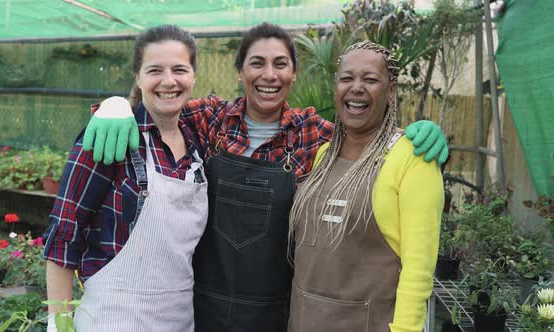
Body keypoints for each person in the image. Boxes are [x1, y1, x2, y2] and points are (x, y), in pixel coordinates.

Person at [82, 23, 448, 331]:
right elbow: (158, 106)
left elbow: (368, 139)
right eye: (257, 63)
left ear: (293, 73)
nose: (269, 75)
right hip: (204, 310)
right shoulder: (208, 120)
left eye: (281, 64)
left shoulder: (314, 137)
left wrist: (420, 135)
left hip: (275, 315)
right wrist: (114, 108)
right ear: (240, 71)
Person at [43, 25, 208, 331]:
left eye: (180, 69)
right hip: (113, 318)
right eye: (155, 70)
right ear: (138, 77)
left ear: (194, 76)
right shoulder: (110, 137)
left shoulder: (199, 141)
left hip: (181, 319)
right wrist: (58, 320)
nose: (169, 81)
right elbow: (64, 232)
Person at [287, 41, 443, 332]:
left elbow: (418, 270)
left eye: (370, 79)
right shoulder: (323, 155)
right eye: (347, 78)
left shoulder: (413, 159)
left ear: (391, 91)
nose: (356, 88)